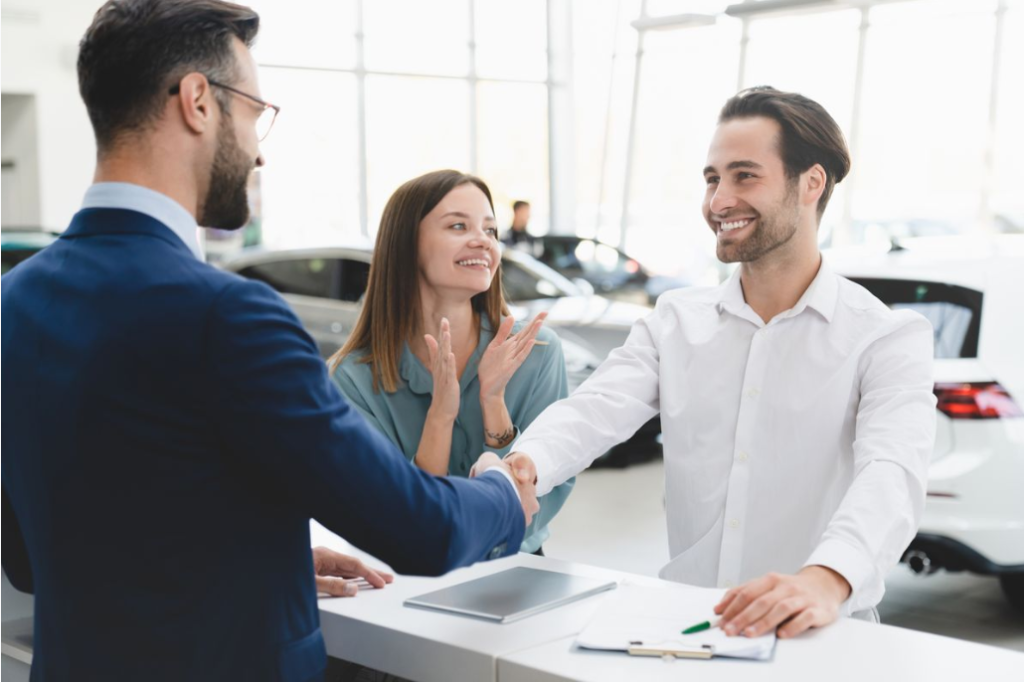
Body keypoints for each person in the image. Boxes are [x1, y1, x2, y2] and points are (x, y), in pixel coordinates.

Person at [0, 2, 536, 680]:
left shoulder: (13, 302)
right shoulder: (225, 314)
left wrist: (268, 559)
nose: (260, 149)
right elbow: (418, 528)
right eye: (255, 111)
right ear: (198, 102)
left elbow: (32, 556)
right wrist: (502, 497)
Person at [501, 87, 936, 639]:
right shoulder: (676, 321)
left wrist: (827, 578)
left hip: (818, 638)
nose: (718, 201)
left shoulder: (885, 337)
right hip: (689, 632)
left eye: (744, 176)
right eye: (712, 179)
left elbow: (891, 475)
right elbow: (595, 408)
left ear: (812, 183)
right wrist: (524, 464)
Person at [330, 170, 574, 555]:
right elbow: (398, 517)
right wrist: (439, 418)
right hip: (410, 579)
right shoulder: (354, 378)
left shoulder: (539, 351)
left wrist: (494, 405)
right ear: (406, 244)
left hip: (518, 571)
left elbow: (544, 498)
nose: (482, 240)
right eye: (458, 225)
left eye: (491, 230)